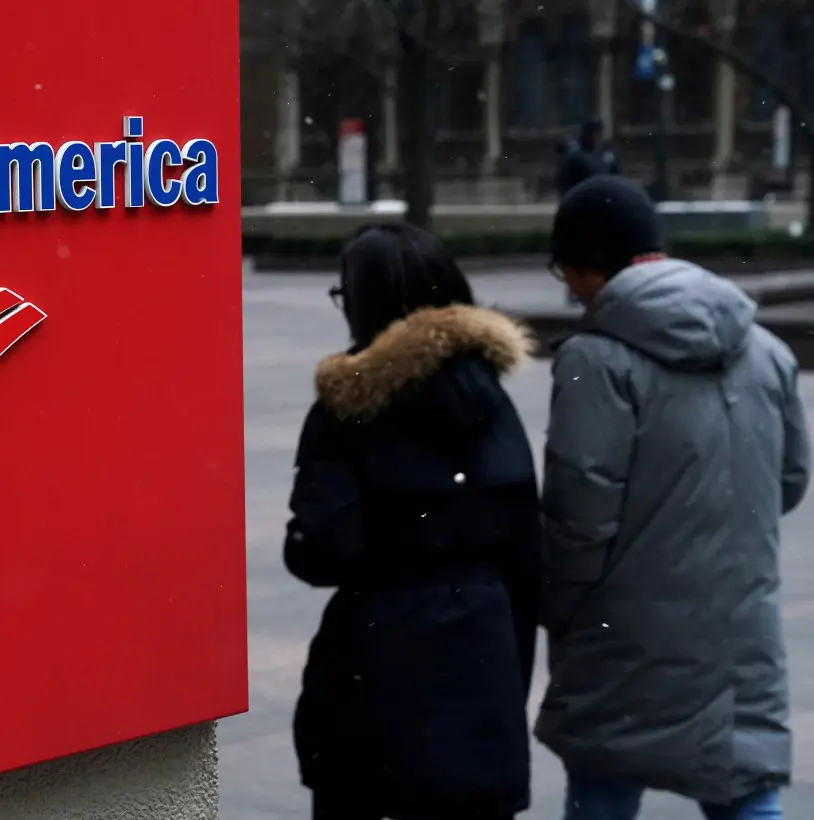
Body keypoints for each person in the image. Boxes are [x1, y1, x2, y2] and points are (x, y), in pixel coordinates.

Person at [539, 175, 811, 820]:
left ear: (586, 268)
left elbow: (580, 516)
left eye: (565, 271)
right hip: (740, 627)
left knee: (604, 789)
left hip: (621, 634)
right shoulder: (767, 352)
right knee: (745, 789)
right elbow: (791, 481)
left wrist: (559, 606)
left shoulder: (593, 359)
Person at [284, 224, 542, 820]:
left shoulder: (347, 408)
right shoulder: (494, 402)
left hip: (375, 677)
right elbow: (529, 560)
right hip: (483, 671)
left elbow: (322, 551)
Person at [555, 118, 619, 198]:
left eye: (598, 132)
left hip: (605, 198)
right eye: (592, 132)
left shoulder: (607, 154)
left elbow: (617, 176)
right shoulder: (574, 155)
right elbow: (564, 182)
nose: (595, 136)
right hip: (582, 198)